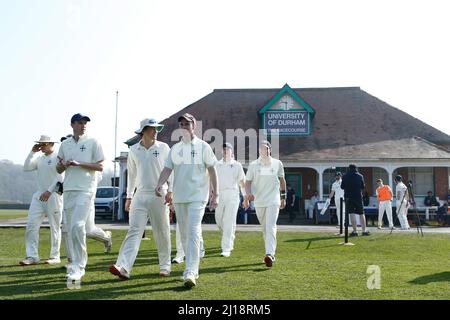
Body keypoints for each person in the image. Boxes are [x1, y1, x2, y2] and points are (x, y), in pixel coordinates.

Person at [155, 113, 218, 288]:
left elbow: (212, 171)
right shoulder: (175, 149)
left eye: (187, 124)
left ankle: (190, 271)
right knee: (184, 234)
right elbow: (167, 169)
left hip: (198, 197)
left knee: (193, 231)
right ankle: (192, 266)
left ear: (194, 125)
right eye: (181, 124)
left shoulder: (204, 147)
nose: (184, 127)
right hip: (180, 198)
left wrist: (216, 194)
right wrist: (159, 184)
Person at [109, 118, 172, 280]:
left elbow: (172, 170)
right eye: (152, 128)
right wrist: (129, 196)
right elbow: (132, 175)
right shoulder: (134, 150)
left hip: (160, 195)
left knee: (162, 231)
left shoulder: (164, 148)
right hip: (140, 195)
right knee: (134, 231)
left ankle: (165, 266)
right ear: (143, 130)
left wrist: (170, 191)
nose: (155, 131)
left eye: (157, 128)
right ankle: (123, 267)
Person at [56, 113, 105, 282]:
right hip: (69, 190)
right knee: (71, 229)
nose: (83, 125)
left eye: (85, 123)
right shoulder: (65, 144)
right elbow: (58, 169)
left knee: (78, 226)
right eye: (79, 122)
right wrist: (63, 165)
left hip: (86, 190)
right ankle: (76, 264)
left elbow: (100, 166)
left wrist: (79, 164)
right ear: (72, 125)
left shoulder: (93, 142)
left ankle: (79, 266)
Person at [20, 135, 63, 266]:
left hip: (54, 195)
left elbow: (60, 177)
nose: (41, 146)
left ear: (51, 144)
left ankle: (55, 256)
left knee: (55, 227)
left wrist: (49, 191)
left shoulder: (58, 157)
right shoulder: (39, 158)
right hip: (39, 196)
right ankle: (32, 256)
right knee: (31, 225)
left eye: (44, 144)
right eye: (40, 144)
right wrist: (32, 152)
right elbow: (26, 167)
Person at [243, 140, 286, 267]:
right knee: (265, 228)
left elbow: (282, 181)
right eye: (261, 148)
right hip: (259, 201)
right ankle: (269, 252)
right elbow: (247, 182)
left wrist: (283, 198)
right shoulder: (253, 165)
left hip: (274, 199)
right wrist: (248, 194)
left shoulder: (277, 163)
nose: (263, 150)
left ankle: (269, 254)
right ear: (258, 151)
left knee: (271, 226)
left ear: (269, 150)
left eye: (266, 148)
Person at [214, 142, 245, 257]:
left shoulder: (237, 165)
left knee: (228, 221)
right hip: (220, 194)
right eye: (224, 149)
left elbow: (242, 182)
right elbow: (212, 180)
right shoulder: (217, 164)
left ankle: (226, 248)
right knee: (218, 220)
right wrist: (212, 194)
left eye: (228, 149)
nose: (226, 151)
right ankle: (230, 235)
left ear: (232, 151)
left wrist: (245, 197)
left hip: (233, 194)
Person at [340, 164, 370, 236]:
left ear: (349, 168)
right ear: (356, 168)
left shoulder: (345, 176)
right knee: (361, 213)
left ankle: (354, 231)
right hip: (358, 197)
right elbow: (363, 187)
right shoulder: (360, 176)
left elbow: (342, 187)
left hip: (348, 197)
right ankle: (364, 230)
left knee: (352, 213)